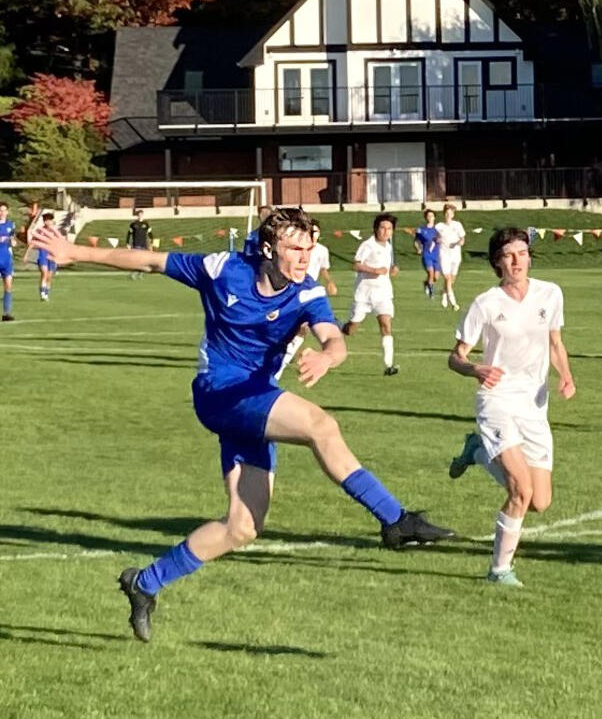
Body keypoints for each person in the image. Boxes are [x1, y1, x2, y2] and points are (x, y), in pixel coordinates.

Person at [28, 207, 453, 643]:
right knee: (319, 426)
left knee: (242, 527)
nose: (305, 257)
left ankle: (145, 583)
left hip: (255, 401)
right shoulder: (223, 269)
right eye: (294, 247)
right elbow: (151, 260)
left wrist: (328, 356)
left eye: (309, 247)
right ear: (269, 248)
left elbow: (334, 337)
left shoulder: (306, 294)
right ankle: (395, 519)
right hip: (219, 392)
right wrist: (73, 252)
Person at [446, 227, 575, 587]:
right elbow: (454, 358)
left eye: (521, 252)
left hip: (534, 405)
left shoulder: (551, 293)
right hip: (497, 400)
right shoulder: (486, 303)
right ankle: (500, 570)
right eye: (508, 255)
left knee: (541, 501)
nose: (516, 261)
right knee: (520, 490)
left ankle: (476, 453)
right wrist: (475, 368)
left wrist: (566, 375)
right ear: (497, 263)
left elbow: (555, 342)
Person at [342, 213, 400, 375]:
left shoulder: (388, 246)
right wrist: (374, 270)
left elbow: (387, 267)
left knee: (386, 325)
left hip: (383, 293)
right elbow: (356, 265)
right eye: (382, 227)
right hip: (364, 294)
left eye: (389, 228)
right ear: (376, 229)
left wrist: (392, 270)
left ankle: (389, 365)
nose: (385, 231)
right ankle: (339, 325)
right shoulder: (367, 245)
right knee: (351, 329)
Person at [278, 219, 338, 373]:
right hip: (292, 290)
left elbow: (324, 268)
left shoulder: (322, 250)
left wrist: (329, 282)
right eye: (313, 231)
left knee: (303, 329)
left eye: (317, 232)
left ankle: (285, 357)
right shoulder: (297, 247)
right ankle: (282, 355)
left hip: (309, 294)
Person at [436, 203, 466, 311]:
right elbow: (436, 238)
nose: (448, 215)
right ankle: (453, 302)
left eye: (450, 213)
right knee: (447, 277)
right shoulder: (439, 226)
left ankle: (444, 293)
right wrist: (437, 240)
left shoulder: (457, 225)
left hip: (455, 255)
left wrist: (458, 243)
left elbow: (462, 239)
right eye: (446, 213)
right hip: (444, 254)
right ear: (444, 214)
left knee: (451, 280)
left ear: (453, 214)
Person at [413, 209, 441, 301]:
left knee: (436, 277)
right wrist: (418, 249)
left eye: (431, 216)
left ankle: (426, 283)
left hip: (436, 255)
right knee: (431, 273)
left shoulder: (438, 229)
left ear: (434, 217)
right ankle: (431, 294)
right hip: (426, 254)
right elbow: (416, 241)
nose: (430, 218)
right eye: (428, 216)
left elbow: (443, 239)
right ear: (426, 218)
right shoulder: (421, 230)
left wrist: (440, 240)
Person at [35, 212, 61, 301]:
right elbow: (33, 242)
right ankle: (42, 294)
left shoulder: (55, 231)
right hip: (42, 253)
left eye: (49, 220)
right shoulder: (40, 231)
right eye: (46, 220)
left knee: (49, 276)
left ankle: (46, 293)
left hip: (52, 254)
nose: (47, 222)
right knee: (44, 273)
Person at [127, 209, 153, 280]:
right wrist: (127, 243)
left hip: (144, 244)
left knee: (144, 260)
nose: (140, 215)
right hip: (136, 244)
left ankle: (140, 274)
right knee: (137, 260)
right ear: (137, 215)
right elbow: (129, 234)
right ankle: (133, 274)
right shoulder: (133, 224)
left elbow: (150, 233)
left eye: (141, 214)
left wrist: (151, 241)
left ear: (143, 215)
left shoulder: (146, 224)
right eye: (139, 214)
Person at [0, 202, 16, 321]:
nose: (2, 213)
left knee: (9, 286)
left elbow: (12, 240)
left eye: (4, 210)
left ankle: (6, 313)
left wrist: (13, 242)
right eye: (0, 210)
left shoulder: (11, 224)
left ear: (7, 211)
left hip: (6, 259)